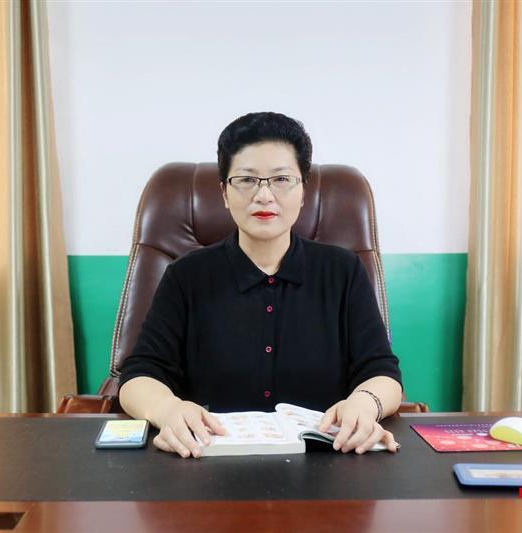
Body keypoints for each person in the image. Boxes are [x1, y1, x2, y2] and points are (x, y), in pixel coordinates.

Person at [119, 112, 403, 458]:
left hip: (327, 460)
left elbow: (382, 371)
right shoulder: (186, 276)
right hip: (208, 462)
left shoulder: (343, 271)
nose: (264, 195)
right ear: (224, 193)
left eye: (281, 179)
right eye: (246, 180)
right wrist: (167, 410)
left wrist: (364, 404)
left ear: (303, 191)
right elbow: (139, 375)